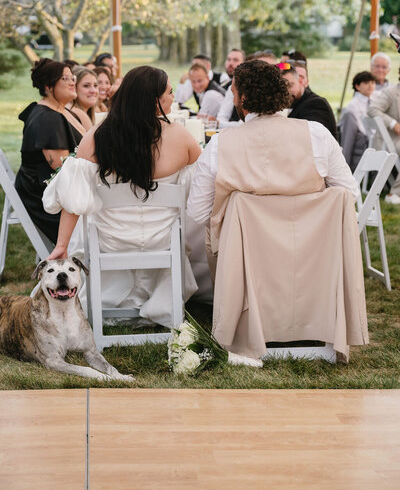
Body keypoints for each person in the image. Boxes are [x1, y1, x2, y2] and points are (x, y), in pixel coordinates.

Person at [187, 60, 365, 364]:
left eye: (233, 92)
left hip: (248, 263)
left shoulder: (220, 146)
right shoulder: (317, 136)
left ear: (242, 99)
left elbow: (197, 212)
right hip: (313, 259)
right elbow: (349, 195)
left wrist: (246, 218)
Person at [43, 66, 201, 327]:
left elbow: (73, 199)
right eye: (170, 93)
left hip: (110, 239)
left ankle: (112, 301)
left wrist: (62, 245)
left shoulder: (96, 137)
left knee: (90, 223)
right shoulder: (182, 137)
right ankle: (159, 302)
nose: (174, 98)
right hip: (161, 239)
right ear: (154, 101)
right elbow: (203, 184)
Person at [15, 58, 86, 245]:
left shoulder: (60, 110)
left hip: (60, 188)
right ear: (48, 86)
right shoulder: (47, 118)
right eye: (66, 78)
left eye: (73, 78)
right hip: (45, 196)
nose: (73, 82)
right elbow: (61, 171)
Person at [280, 63, 338, 139]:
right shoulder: (288, 103)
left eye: (289, 85)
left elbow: (307, 139)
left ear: (300, 81)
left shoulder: (317, 104)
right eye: (280, 87)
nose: (286, 91)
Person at [367, 75, 400, 204]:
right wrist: (393, 124)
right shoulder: (391, 92)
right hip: (392, 138)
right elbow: (372, 109)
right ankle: (394, 194)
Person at [339, 71, 376, 172]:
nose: (370, 86)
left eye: (372, 83)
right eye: (366, 83)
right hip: (362, 139)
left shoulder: (374, 100)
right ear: (357, 86)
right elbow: (359, 129)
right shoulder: (353, 106)